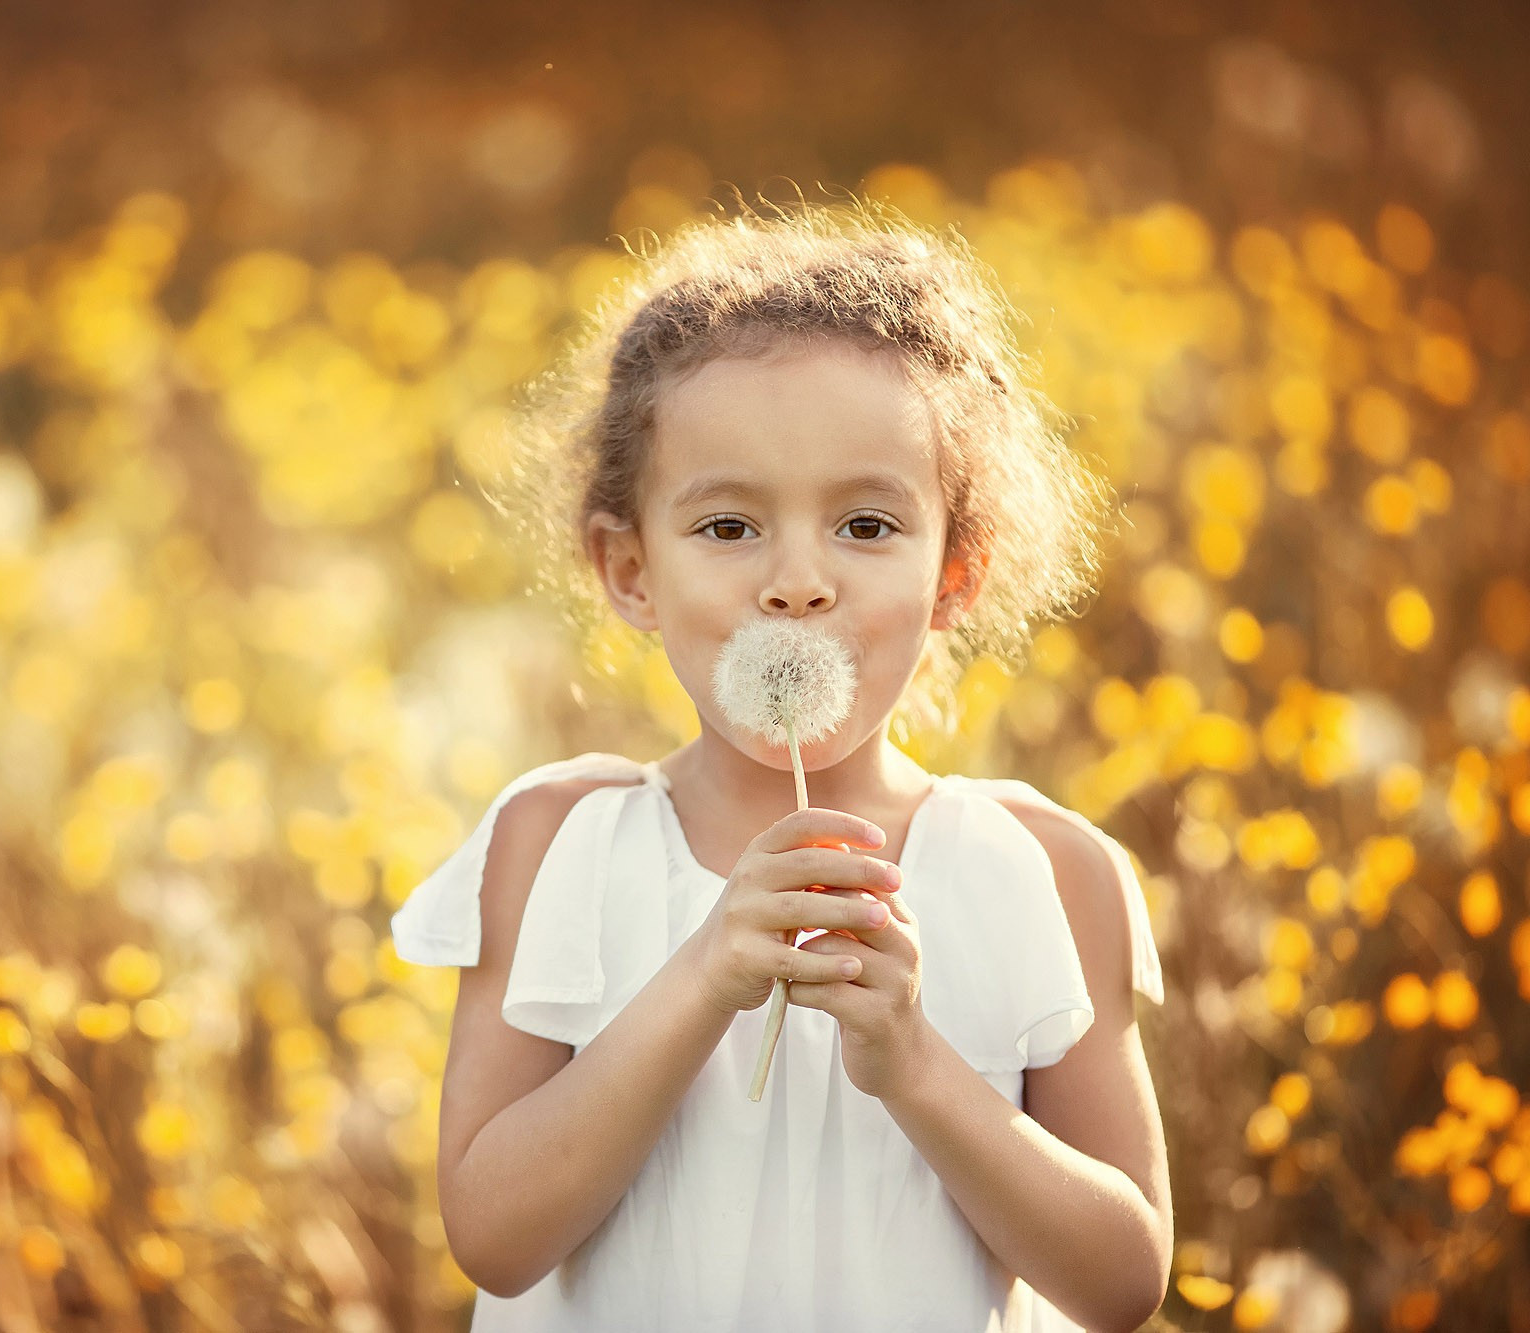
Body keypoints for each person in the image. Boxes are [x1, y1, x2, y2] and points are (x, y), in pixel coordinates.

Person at [390, 199, 1172, 1332]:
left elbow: (1120, 1282)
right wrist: (705, 970)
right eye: (726, 527)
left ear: (955, 571)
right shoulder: (552, 845)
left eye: (864, 525)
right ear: (627, 571)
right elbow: (495, 1240)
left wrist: (911, 1062)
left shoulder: (1046, 872)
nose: (797, 580)